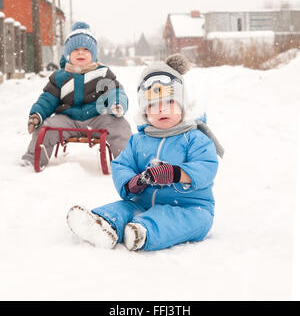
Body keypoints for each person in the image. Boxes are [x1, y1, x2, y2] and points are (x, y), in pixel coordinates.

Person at [66, 53, 219, 251]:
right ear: (145, 111)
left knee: (173, 219)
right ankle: (102, 224)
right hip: (143, 203)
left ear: (183, 105)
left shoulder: (194, 138)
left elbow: (206, 166)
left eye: (170, 103)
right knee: (124, 208)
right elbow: (122, 164)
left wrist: (175, 173)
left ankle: (142, 232)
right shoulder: (138, 141)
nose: (162, 110)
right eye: (154, 105)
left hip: (189, 207)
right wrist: (133, 182)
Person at [21, 21, 132, 169]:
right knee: (45, 127)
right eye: (76, 50)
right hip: (68, 119)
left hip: (97, 117)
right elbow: (48, 98)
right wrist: (37, 115)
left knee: (120, 126)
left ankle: (127, 162)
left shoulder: (102, 73)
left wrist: (117, 103)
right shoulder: (60, 76)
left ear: (93, 54)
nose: (80, 53)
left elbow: (115, 91)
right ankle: (33, 158)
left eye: (86, 50)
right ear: (68, 54)